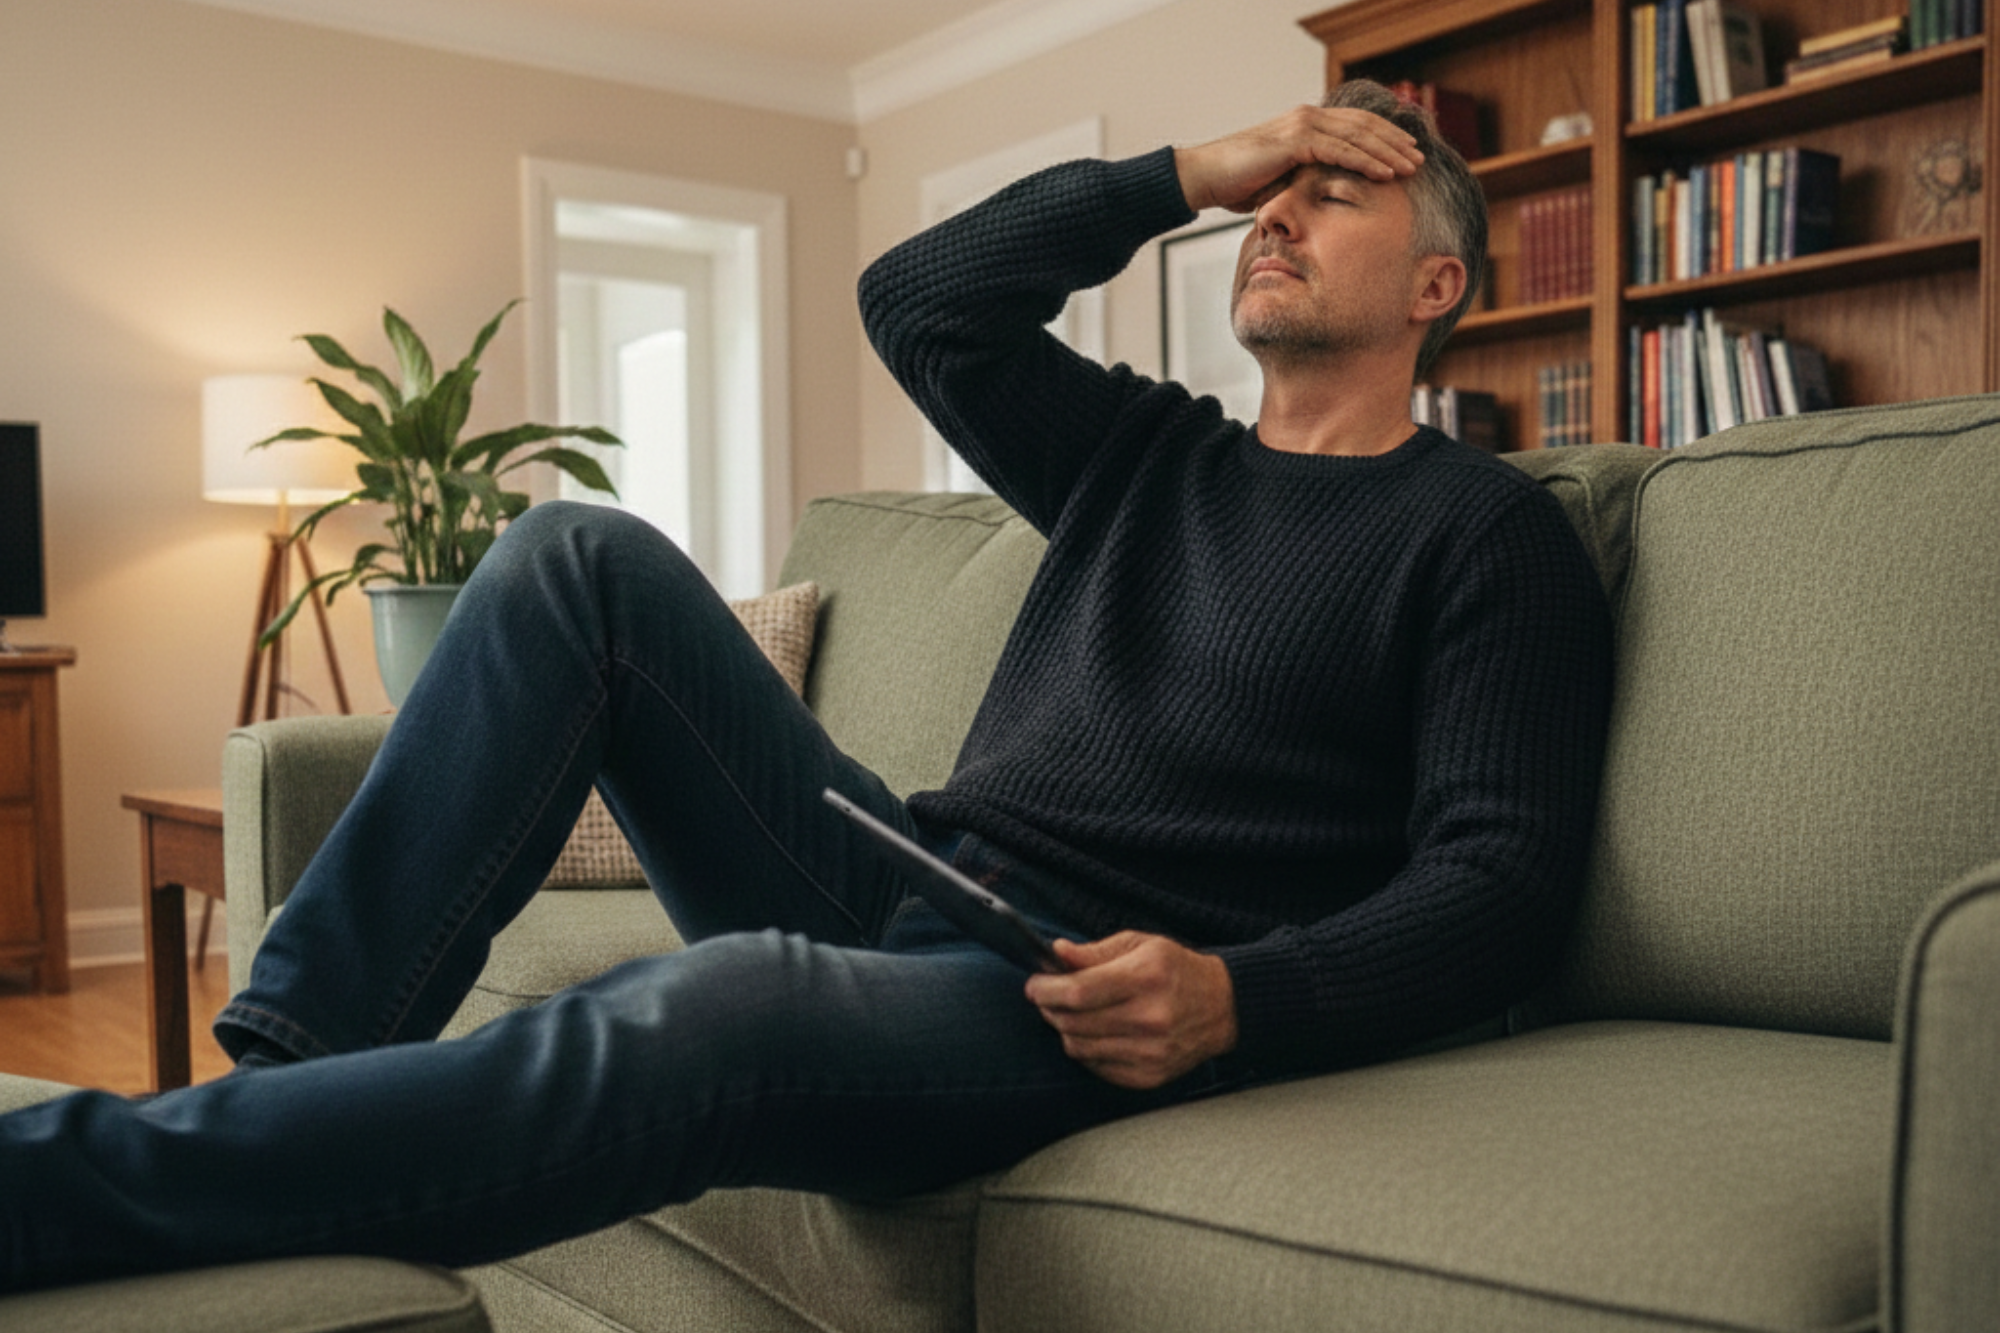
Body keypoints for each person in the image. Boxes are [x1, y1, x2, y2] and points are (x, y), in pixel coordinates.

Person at [0, 80, 1611, 1293]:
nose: (1275, 216)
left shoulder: (1486, 533)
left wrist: (1238, 998)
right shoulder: (1149, 456)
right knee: (578, 558)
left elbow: (1503, 883)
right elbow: (918, 301)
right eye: (1277, 192)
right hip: (905, 872)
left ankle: (57, 1188)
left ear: (1437, 290)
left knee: (712, 1006)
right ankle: (293, 1100)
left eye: (1332, 196)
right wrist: (1184, 171)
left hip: (1063, 998)